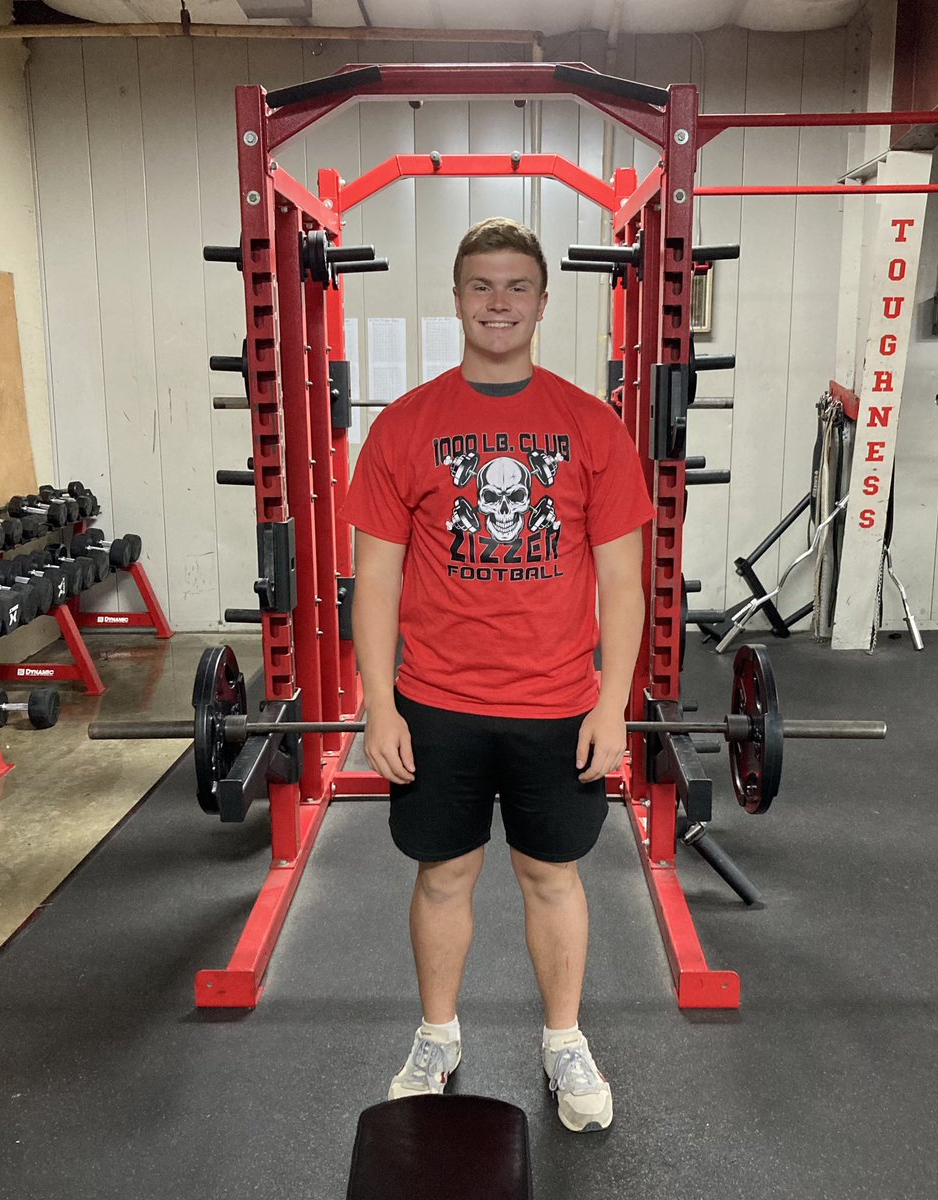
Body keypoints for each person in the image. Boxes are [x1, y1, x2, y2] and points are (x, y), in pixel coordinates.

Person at [339, 216, 655, 1134]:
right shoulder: (406, 427)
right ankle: (437, 1033)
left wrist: (611, 704)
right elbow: (377, 581)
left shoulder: (589, 426)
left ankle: (563, 1041)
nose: (499, 302)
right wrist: (377, 703)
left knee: (551, 875)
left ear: (544, 302)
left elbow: (625, 583)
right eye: (482, 285)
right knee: (443, 875)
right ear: (456, 299)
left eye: (517, 286)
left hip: (558, 705)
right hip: (436, 703)